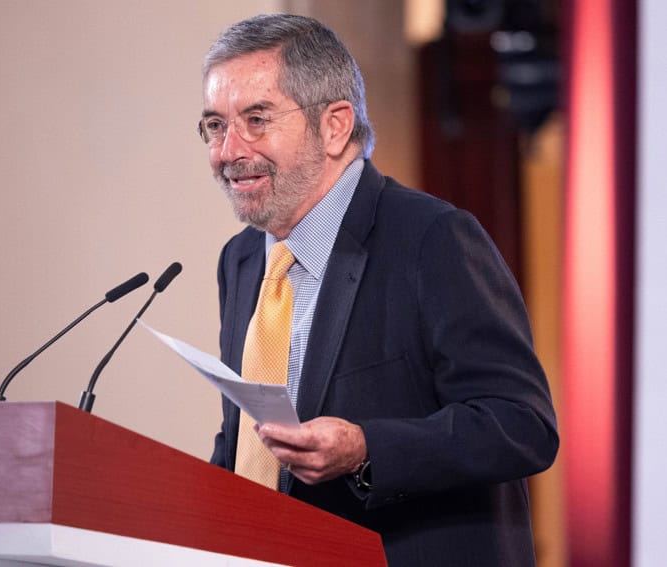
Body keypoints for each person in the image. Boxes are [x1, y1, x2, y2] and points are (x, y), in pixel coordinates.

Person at [200, 13, 558, 567]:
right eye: (215, 125)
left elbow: (521, 425)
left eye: (256, 118)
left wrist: (367, 450)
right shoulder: (242, 259)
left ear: (335, 125)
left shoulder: (431, 239)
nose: (228, 151)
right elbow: (248, 443)